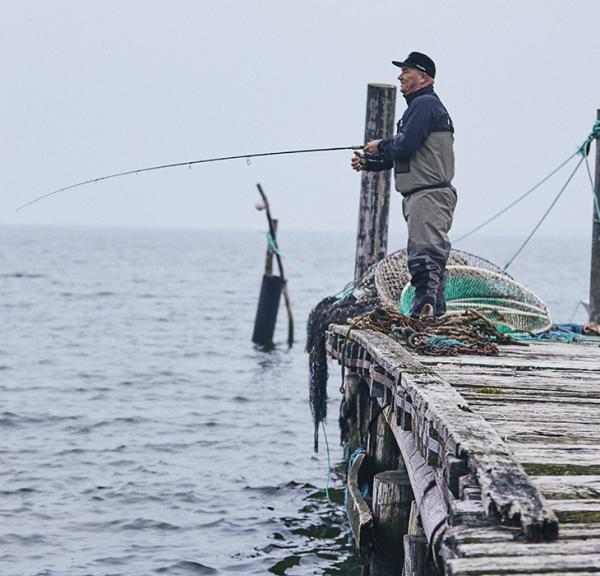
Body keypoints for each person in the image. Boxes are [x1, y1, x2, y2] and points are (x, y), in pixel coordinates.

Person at [351, 51, 457, 319]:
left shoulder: (424, 106)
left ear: (422, 77)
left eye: (406, 71)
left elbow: (405, 145)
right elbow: (407, 154)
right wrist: (370, 162)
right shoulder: (421, 107)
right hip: (424, 195)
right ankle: (433, 319)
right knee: (430, 259)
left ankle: (422, 320)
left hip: (429, 196)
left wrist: (381, 145)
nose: (400, 76)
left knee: (425, 260)